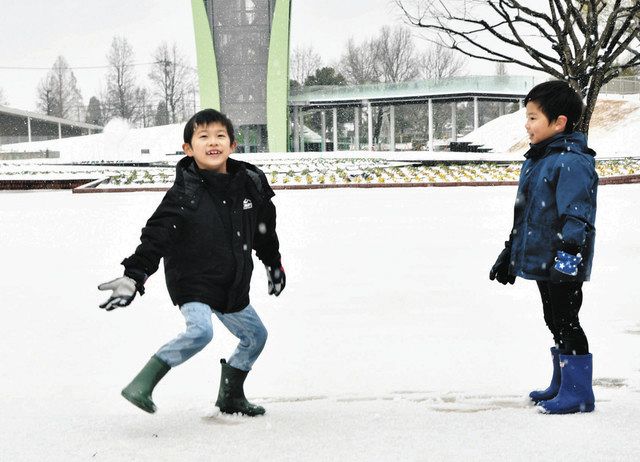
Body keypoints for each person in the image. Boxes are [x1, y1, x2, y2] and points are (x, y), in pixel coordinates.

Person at [98, 108, 286, 416]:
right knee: (201, 331)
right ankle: (142, 384)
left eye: (220, 136)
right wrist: (134, 276)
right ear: (188, 148)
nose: (213, 142)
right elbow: (156, 236)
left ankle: (231, 396)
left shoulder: (250, 183)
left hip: (231, 281)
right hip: (193, 280)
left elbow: (264, 230)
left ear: (233, 144)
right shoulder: (184, 192)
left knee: (256, 336)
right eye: (203, 137)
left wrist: (273, 262)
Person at [489, 80, 598, 414]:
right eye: (528, 116)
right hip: (542, 258)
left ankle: (578, 393)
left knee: (567, 320)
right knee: (553, 318)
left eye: (534, 117)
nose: (527, 124)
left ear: (559, 122)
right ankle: (563, 383)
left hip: (563, 260)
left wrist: (568, 256)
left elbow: (576, 215)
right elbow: (527, 215)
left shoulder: (571, 162)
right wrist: (511, 251)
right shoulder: (539, 159)